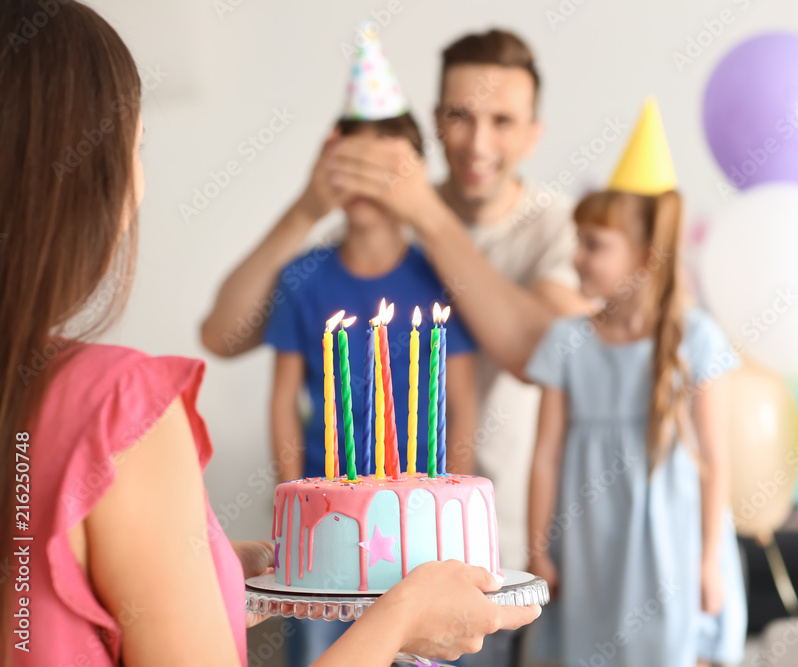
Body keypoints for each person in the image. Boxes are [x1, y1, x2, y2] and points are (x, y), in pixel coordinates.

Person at [0, 3, 539, 665]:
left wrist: (209, 574)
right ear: (96, 178)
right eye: (136, 148)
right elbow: (223, 332)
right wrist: (395, 616)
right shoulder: (117, 405)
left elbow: (535, 350)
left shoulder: (508, 245)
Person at [200, 29, 590, 665]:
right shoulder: (379, 214)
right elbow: (222, 333)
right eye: (461, 116)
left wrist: (427, 217)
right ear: (436, 123)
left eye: (503, 119)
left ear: (532, 133)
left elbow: (537, 351)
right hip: (349, 538)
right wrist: (308, 205)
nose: (479, 141)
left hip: (489, 541)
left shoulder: (549, 227)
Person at [263, 28, 478, 666]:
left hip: (418, 526)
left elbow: (460, 401)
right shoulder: (303, 277)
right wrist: (297, 516)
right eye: (348, 162)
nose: (364, 179)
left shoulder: (436, 276)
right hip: (331, 526)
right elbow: (282, 403)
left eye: (381, 162)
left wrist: (442, 506)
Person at [524, 102, 747, 666]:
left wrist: (708, 561)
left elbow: (715, 460)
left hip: (671, 544)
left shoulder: (694, 339)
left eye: (594, 245)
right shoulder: (567, 342)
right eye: (578, 240)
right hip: (591, 539)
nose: (576, 257)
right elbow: (546, 456)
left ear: (645, 257)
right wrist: (538, 549)